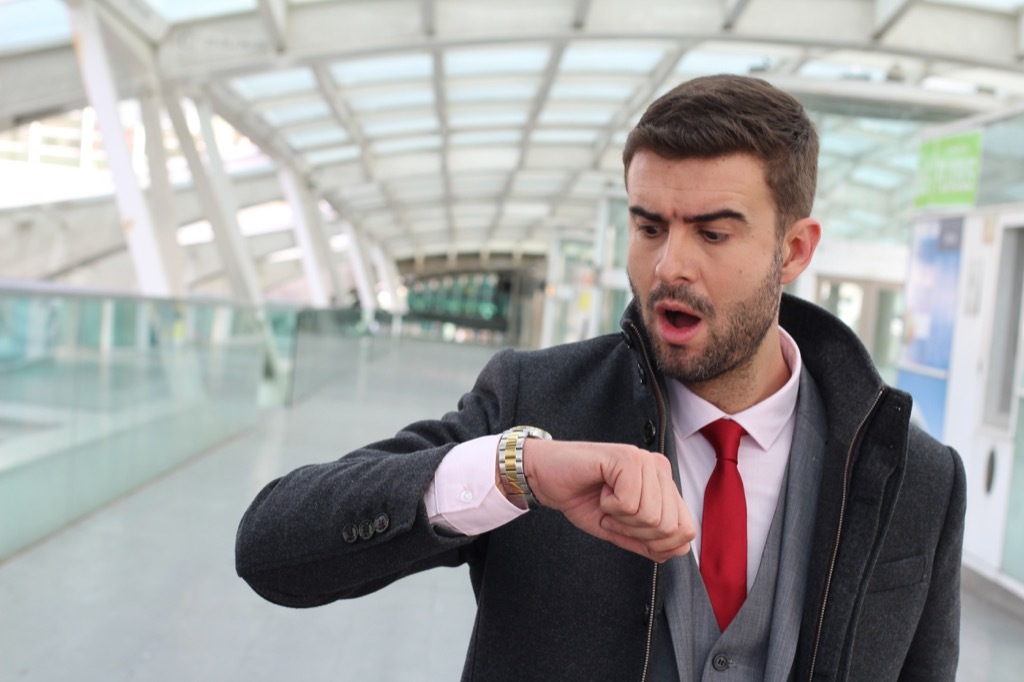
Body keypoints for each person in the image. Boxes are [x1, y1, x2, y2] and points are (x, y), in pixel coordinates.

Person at [236, 74, 965, 681]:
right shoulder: (537, 404)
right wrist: (514, 470)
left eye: (712, 232)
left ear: (795, 248)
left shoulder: (914, 477)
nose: (669, 266)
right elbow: (273, 548)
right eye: (649, 227)